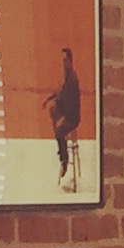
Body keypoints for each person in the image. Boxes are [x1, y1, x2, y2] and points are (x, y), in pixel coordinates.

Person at [44, 47, 82, 185]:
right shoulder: (68, 76)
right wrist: (51, 100)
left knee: (59, 131)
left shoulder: (72, 79)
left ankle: (64, 160)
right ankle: (61, 150)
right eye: (62, 61)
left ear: (70, 61)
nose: (63, 63)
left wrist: (63, 117)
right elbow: (62, 95)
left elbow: (71, 104)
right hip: (67, 112)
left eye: (65, 60)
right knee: (52, 112)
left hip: (72, 117)